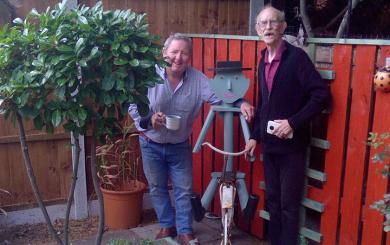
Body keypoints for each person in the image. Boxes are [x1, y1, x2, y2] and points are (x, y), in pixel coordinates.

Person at [129, 33, 254, 245]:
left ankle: (185, 231)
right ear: (164, 53)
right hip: (150, 143)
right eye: (174, 52)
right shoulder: (147, 76)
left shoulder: (198, 80)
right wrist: (150, 120)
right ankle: (167, 225)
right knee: (157, 187)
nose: (178, 57)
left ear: (190, 56)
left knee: (183, 189)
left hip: (179, 146)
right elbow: (133, 107)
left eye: (184, 53)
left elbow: (221, 97)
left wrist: (241, 101)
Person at [244, 5, 330, 245]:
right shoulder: (263, 60)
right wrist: (254, 136)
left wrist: (293, 122)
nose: (268, 27)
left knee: (289, 206)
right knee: (272, 201)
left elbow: (321, 95)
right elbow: (264, 105)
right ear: (257, 29)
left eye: (273, 22)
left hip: (292, 147)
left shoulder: (297, 58)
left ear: (282, 27)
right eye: (263, 23)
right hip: (270, 146)